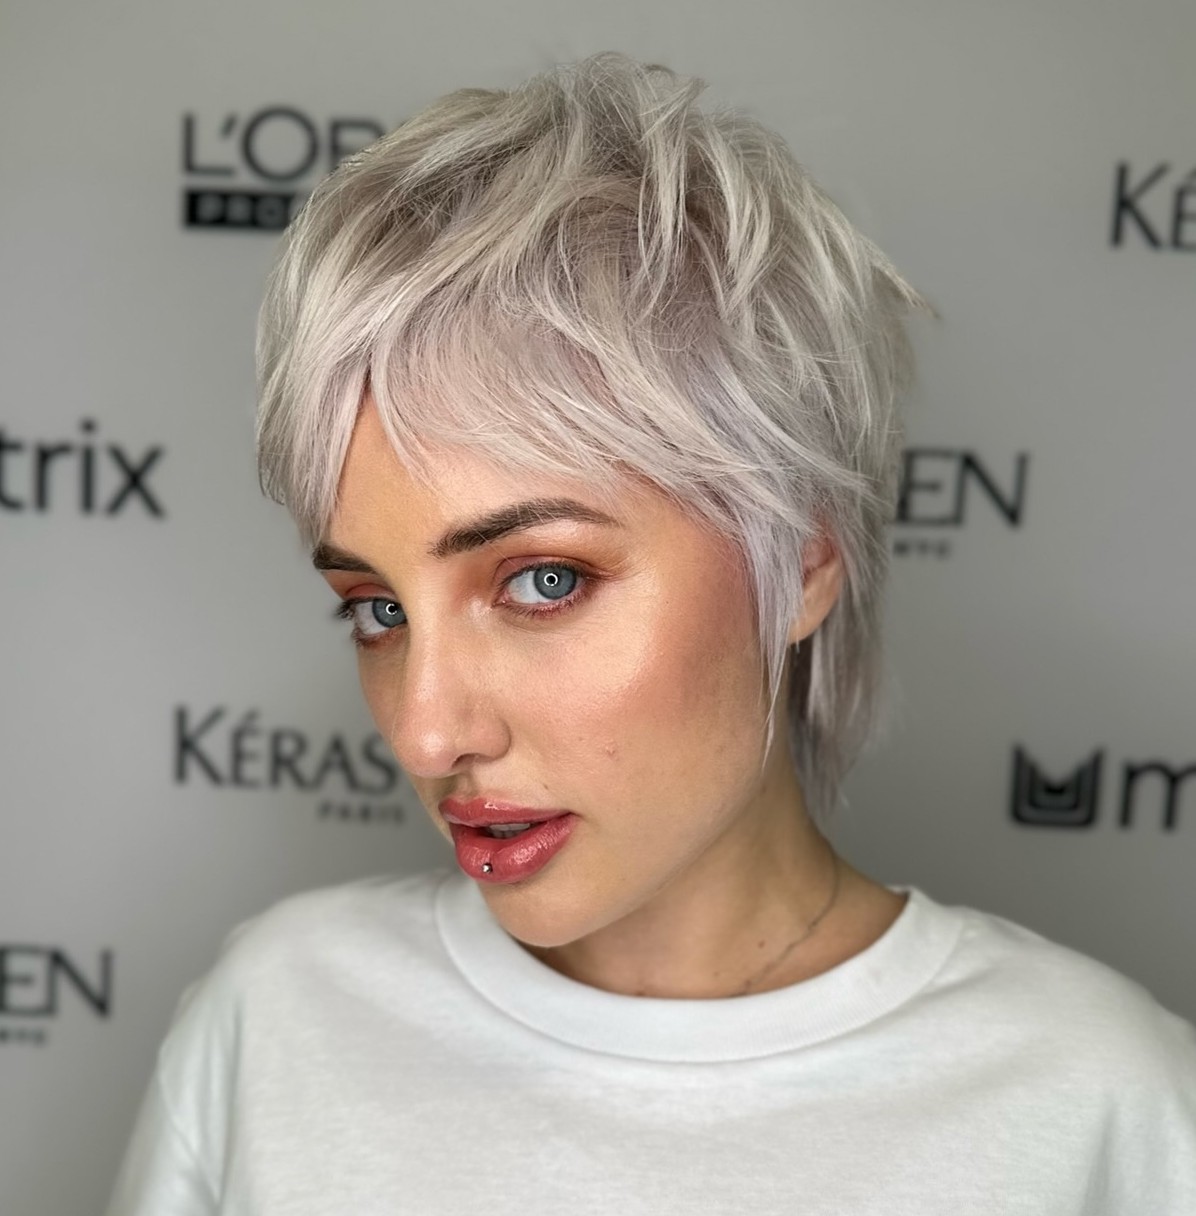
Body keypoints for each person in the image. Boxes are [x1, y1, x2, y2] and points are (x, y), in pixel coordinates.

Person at [105, 52, 1196, 1214]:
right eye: (378, 609)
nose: (426, 732)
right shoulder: (276, 1020)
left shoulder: (1100, 1106)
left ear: (802, 560)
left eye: (541, 581)